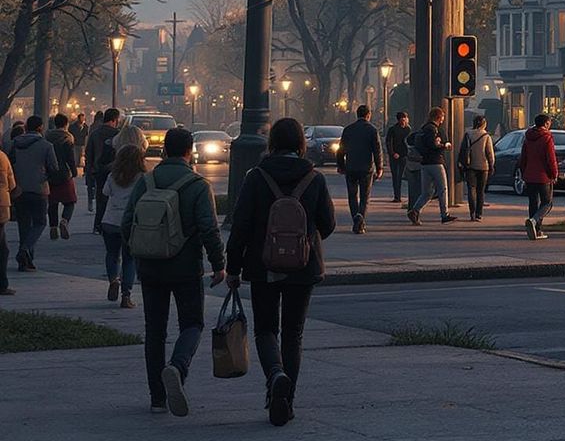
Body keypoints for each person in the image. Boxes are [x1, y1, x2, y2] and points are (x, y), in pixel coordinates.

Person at [226, 117, 336, 428]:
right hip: (303, 266)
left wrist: (232, 267)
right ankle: (286, 400)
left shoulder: (256, 177)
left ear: (271, 142)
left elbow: (241, 226)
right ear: (302, 143)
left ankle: (275, 375)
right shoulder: (314, 179)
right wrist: (305, 239)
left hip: (262, 265)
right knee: (293, 333)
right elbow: (327, 225)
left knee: (265, 330)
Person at [122, 126, 225, 416]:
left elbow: (128, 221)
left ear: (164, 150)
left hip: (151, 267)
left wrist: (136, 253)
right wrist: (218, 265)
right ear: (189, 151)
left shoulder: (147, 181)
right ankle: (177, 367)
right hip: (186, 268)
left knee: (154, 331)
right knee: (192, 324)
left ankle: (157, 399)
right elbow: (209, 228)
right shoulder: (197, 184)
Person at [9, 114, 60, 271]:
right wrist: (45, 177)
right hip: (39, 189)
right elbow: (54, 168)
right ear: (40, 128)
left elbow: (10, 165)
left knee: (24, 225)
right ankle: (25, 251)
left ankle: (25, 261)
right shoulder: (46, 145)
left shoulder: (14, 144)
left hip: (19, 190)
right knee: (40, 223)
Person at [99, 142, 145, 308]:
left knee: (111, 254)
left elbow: (105, 193)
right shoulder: (142, 178)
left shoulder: (112, 176)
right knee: (129, 259)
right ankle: (126, 295)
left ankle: (113, 280)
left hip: (110, 220)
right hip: (130, 222)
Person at [337, 104, 382, 233]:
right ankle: (360, 219)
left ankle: (355, 217)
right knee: (364, 196)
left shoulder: (348, 129)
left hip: (351, 167)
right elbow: (377, 150)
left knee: (352, 195)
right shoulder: (372, 130)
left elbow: (341, 150)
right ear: (368, 115)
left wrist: (341, 165)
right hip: (366, 168)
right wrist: (379, 167)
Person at [406, 107, 454, 226]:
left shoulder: (423, 128)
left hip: (424, 163)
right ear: (438, 117)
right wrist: (444, 145)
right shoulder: (433, 129)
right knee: (443, 189)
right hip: (436, 162)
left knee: (427, 192)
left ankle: (415, 210)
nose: (443, 119)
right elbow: (433, 145)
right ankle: (445, 214)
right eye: (442, 117)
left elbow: (411, 140)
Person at [519, 113, 559, 239]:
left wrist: (524, 172)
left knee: (533, 202)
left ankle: (535, 230)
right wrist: (554, 174)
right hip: (543, 176)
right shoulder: (547, 137)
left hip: (529, 175)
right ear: (546, 123)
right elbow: (551, 159)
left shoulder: (528, 138)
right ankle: (535, 222)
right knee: (547, 203)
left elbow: (523, 158)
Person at [86, 107, 121, 232]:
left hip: (98, 170)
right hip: (114, 170)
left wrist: (89, 169)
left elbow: (88, 152)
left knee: (100, 198)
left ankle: (98, 225)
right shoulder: (117, 134)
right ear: (114, 120)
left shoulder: (95, 133)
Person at [46, 111, 80, 239]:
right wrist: (74, 170)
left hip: (50, 174)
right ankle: (64, 221)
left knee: (52, 203)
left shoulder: (47, 137)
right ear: (66, 124)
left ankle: (53, 227)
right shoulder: (68, 138)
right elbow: (70, 158)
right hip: (65, 174)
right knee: (70, 201)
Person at [457, 113, 495, 222]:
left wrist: (461, 163)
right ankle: (479, 214)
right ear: (483, 124)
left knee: (471, 189)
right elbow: (489, 153)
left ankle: (472, 213)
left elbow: (462, 150)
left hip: (470, 166)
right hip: (483, 167)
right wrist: (492, 165)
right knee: (480, 191)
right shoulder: (486, 136)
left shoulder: (468, 134)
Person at [384, 110, 411, 204]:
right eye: (404, 118)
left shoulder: (408, 129)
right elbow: (389, 142)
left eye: (406, 118)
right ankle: (397, 196)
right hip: (395, 156)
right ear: (400, 119)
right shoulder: (393, 129)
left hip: (404, 155)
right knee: (396, 176)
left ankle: (403, 196)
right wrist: (392, 153)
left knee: (402, 176)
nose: (406, 120)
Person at [0, 138, 15, 296]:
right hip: (1, 204)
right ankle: (2, 284)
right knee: (2, 249)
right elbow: (12, 184)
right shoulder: (3, 157)